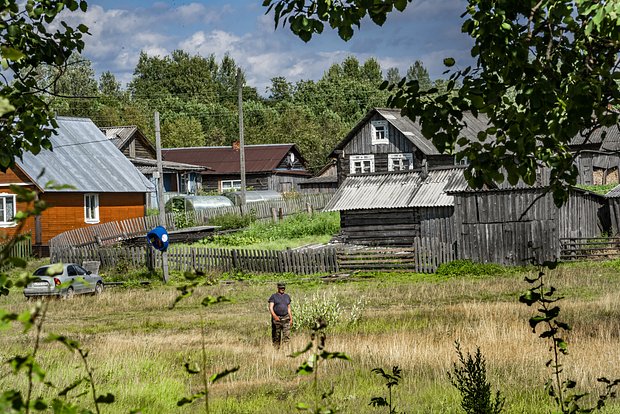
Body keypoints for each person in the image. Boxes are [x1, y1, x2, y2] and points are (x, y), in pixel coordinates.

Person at [268, 282, 292, 349]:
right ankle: (276, 350)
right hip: (277, 318)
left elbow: (289, 308)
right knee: (276, 335)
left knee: (287, 335)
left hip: (286, 317)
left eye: (283, 288)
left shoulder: (287, 297)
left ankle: (286, 349)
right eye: (281, 288)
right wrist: (275, 316)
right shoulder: (273, 296)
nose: (282, 289)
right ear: (278, 288)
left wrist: (291, 318)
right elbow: (270, 308)